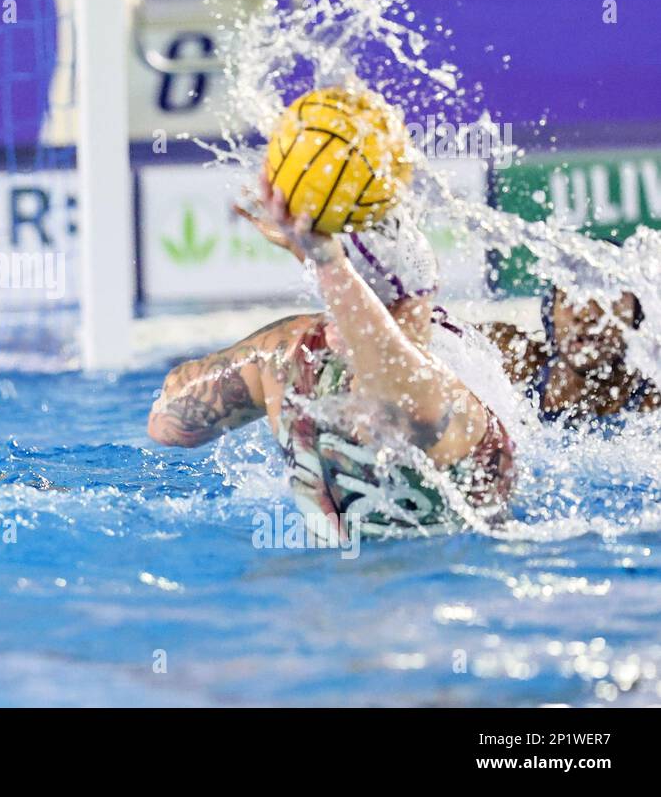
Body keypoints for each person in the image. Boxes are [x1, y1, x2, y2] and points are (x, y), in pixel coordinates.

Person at [147, 169, 516, 537]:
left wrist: (324, 262)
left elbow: (400, 393)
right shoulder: (289, 354)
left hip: (322, 585)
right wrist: (324, 263)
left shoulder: (447, 393)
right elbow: (168, 424)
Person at [484, 285, 659, 427]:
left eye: (607, 300)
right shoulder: (513, 359)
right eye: (569, 299)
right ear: (550, 313)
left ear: (635, 317)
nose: (586, 314)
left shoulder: (650, 402)